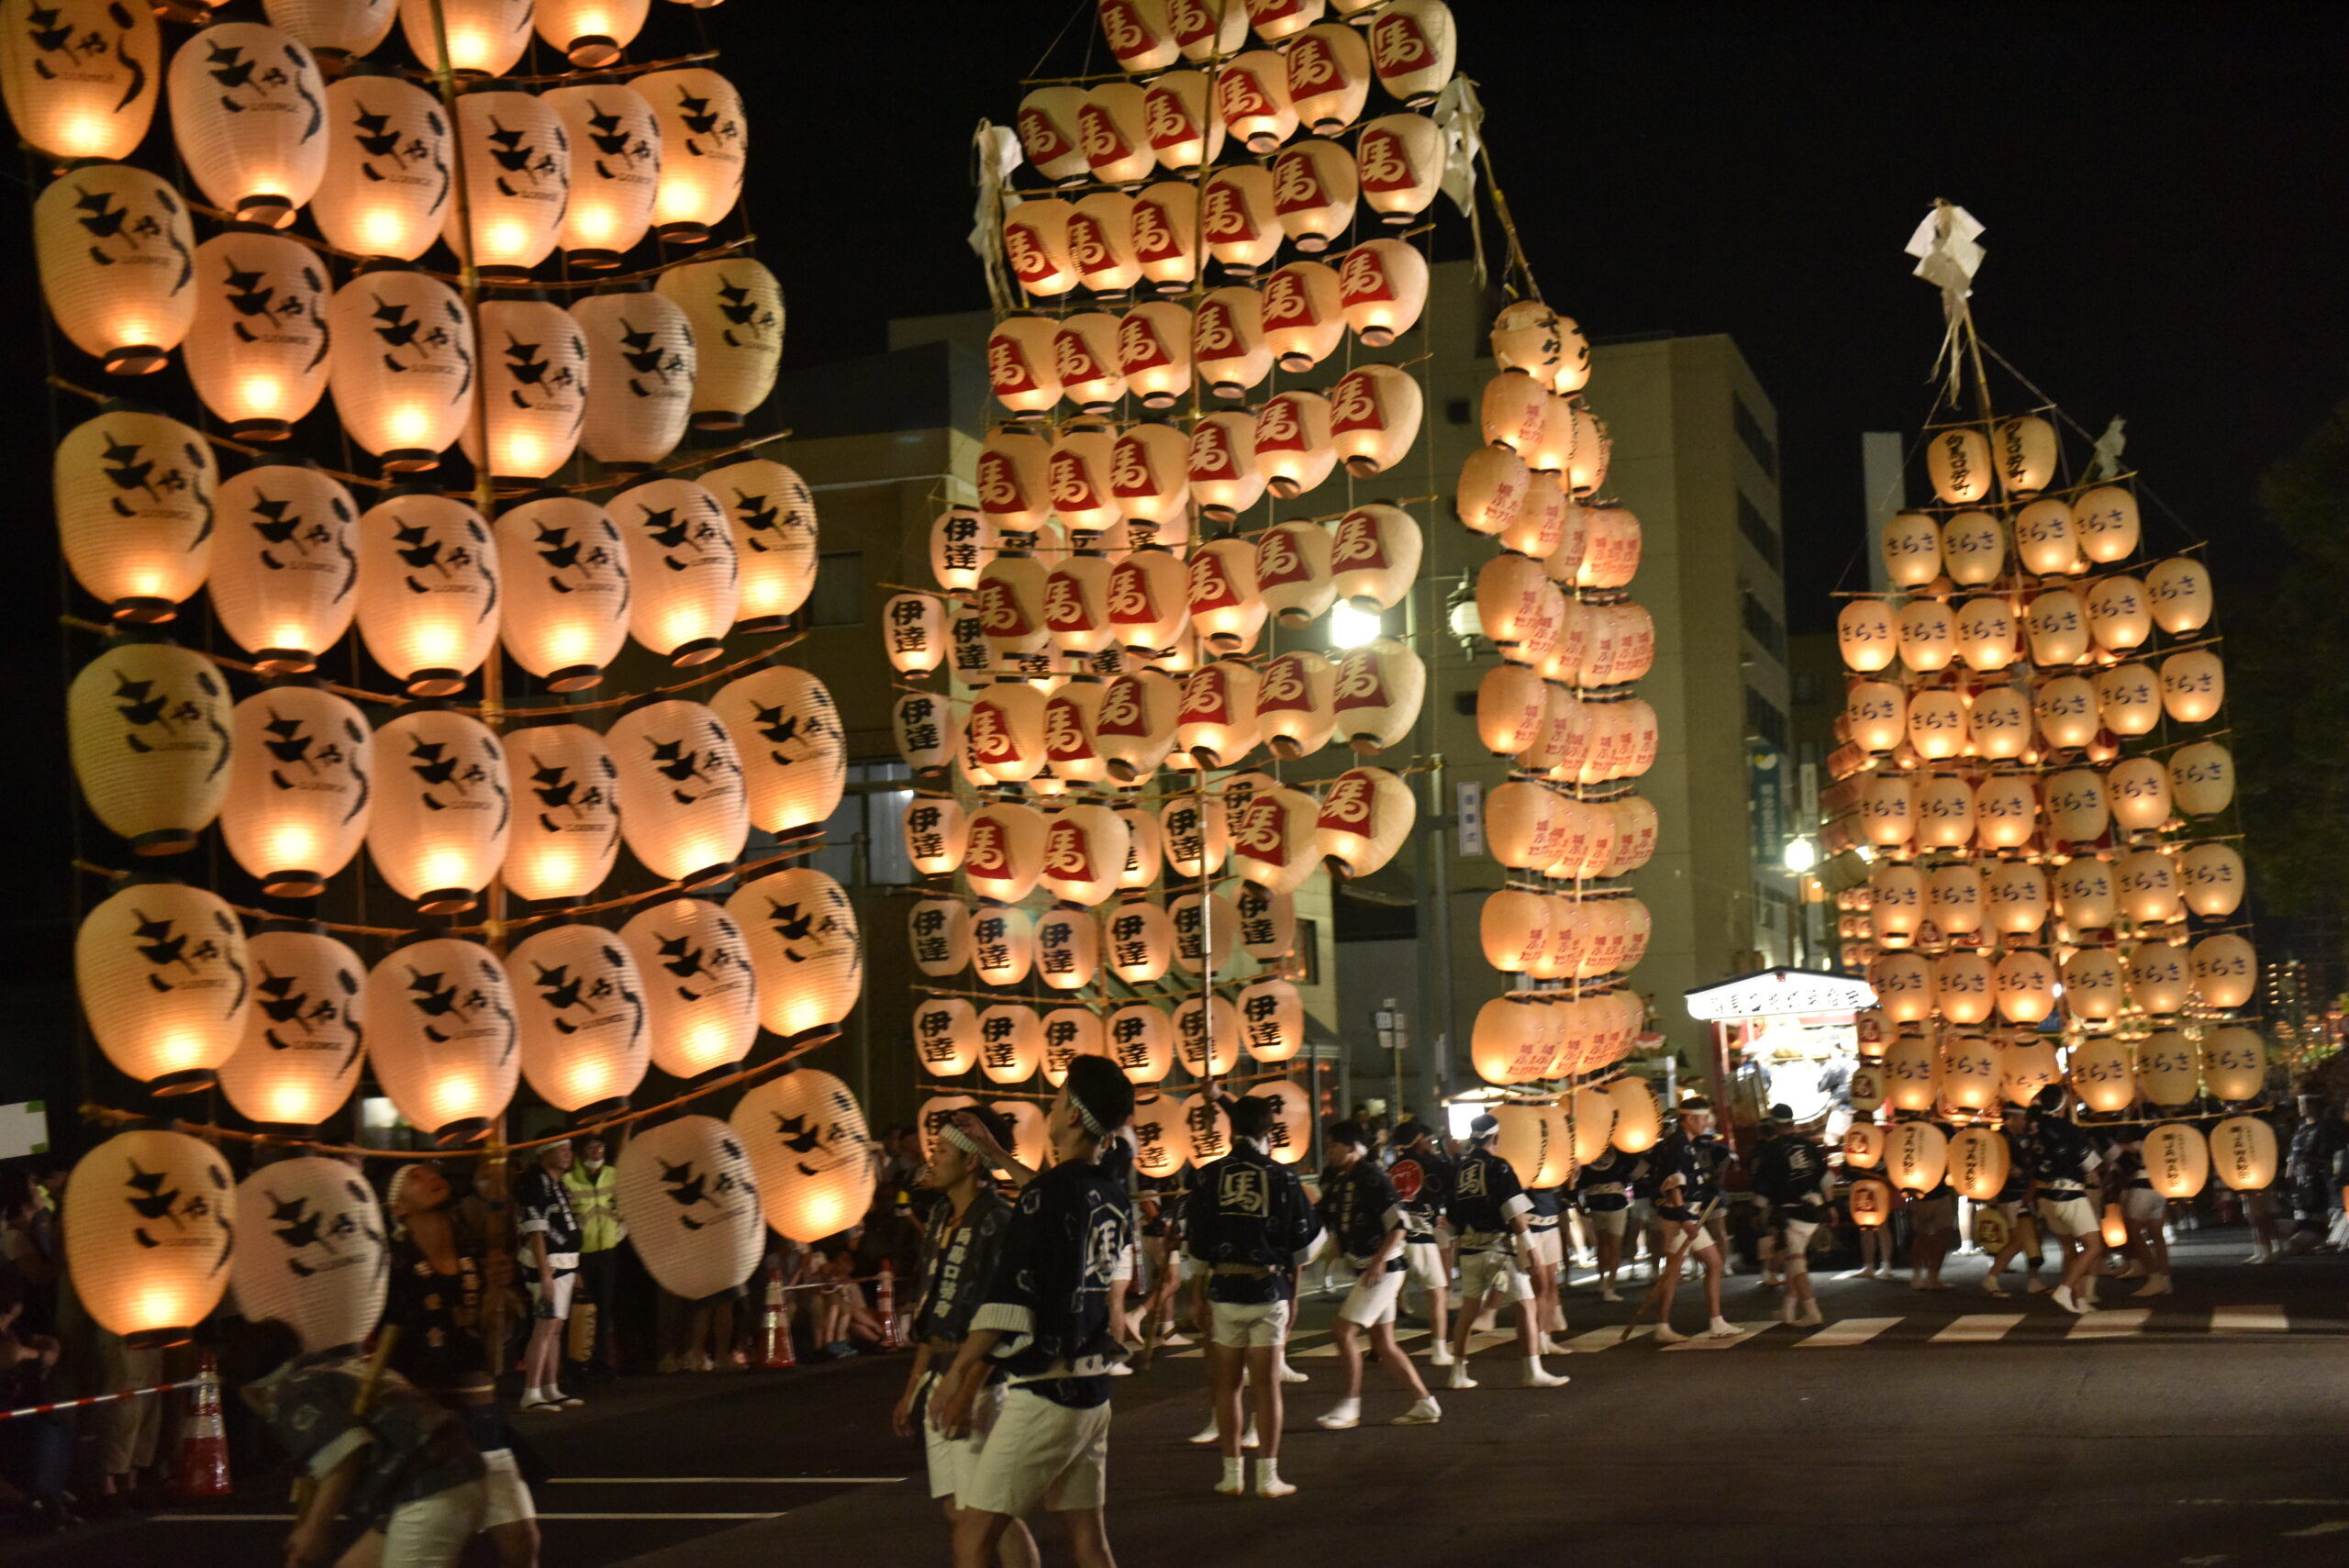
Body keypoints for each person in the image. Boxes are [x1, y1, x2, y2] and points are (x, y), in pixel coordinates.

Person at [930, 1056, 1136, 1568]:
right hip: (1092, 1390)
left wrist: (958, 1373)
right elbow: (1049, 1195)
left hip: (1046, 1392)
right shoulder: (1110, 1194)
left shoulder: (1048, 1194)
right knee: (1089, 1540)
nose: (1053, 1102)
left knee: (972, 1536)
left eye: (1060, 1095)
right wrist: (996, 1152)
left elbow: (1007, 1303)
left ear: (1072, 1115)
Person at [230, 1317, 489, 1568]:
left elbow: (345, 1453)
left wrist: (314, 1529)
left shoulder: (290, 1394)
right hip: (440, 1477)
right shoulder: (337, 1368)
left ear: (249, 1391)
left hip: (429, 1486)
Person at [384, 1164, 540, 1568]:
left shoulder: (477, 1256)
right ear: (398, 1208)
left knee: (522, 1541)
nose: (431, 1176)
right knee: (432, 1552)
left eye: (432, 1171)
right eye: (414, 1176)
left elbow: (493, 1350)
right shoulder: (391, 1265)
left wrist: (497, 1294)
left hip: (482, 1418)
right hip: (427, 1427)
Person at [892, 1106, 1028, 1566]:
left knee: (985, 1515)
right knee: (958, 1507)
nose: (932, 1159)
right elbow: (935, 1309)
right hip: (940, 1371)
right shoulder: (940, 1218)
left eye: (942, 1150)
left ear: (972, 1162)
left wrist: (967, 1388)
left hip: (978, 1380)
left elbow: (1001, 1315)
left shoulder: (999, 1221)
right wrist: (914, 1384)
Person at [1184, 1095, 1321, 1499]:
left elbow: (1197, 1248)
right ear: (1269, 1131)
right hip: (1269, 1289)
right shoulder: (1283, 1178)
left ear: (1230, 1130)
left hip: (1223, 1291)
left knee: (1226, 1386)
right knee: (1266, 1387)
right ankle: (1268, 1476)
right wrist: (1293, 1296)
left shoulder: (1208, 1177)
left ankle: (1231, 1473)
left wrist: (1197, 1297)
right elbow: (1301, 1246)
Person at [1311, 1120, 1440, 1430]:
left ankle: (1350, 1405)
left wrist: (1378, 1262)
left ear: (1354, 1148)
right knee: (1384, 1343)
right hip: (1371, 1268)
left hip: (1382, 1269)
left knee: (1343, 1332)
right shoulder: (1342, 1180)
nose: (1329, 1151)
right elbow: (1323, 1215)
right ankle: (1425, 1403)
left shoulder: (1371, 1177)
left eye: (1334, 1146)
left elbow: (1399, 1225)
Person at [1439, 1115, 1568, 1391]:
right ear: (1495, 1138)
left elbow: (1450, 1221)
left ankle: (1457, 1372)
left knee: (1469, 1310)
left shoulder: (1460, 1169)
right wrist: (1531, 1248)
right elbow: (1515, 1214)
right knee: (1526, 1305)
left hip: (1469, 1250)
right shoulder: (1499, 1167)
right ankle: (1532, 1370)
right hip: (1499, 1250)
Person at [1649, 1098, 1739, 1342]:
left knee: (1714, 1263)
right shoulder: (1678, 1145)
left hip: (1690, 1216)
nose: (1706, 1123)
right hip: (1679, 1218)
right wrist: (1684, 1219)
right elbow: (1673, 1185)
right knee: (1674, 1271)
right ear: (1688, 1120)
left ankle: (1716, 1320)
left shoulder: (1686, 1144)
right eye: (1701, 1119)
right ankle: (1662, 1325)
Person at [2020, 1084, 2105, 1315]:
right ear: (2061, 1104)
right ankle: (2066, 1290)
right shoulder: (2066, 1128)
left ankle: (2078, 1299)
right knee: (2094, 1245)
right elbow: (2091, 1163)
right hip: (2069, 1193)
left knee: (2069, 1248)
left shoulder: (2034, 1129)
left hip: (2045, 1196)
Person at [512, 1142, 584, 1411]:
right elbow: (536, 1231)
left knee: (554, 1328)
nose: (568, 1153)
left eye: (569, 1149)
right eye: (561, 1149)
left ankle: (550, 1387)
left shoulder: (559, 1184)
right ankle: (531, 1391)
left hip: (564, 1262)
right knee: (545, 1326)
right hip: (548, 1265)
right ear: (543, 1153)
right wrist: (544, 1275)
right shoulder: (534, 1183)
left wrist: (575, 1268)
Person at [0, 1271, 72, 1530]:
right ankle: (34, 1503)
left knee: (54, 1428)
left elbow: (41, 1344)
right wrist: (39, 1357)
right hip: (6, 1414)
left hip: (13, 1410)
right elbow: (10, 1355)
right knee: (45, 1432)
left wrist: (49, 1347)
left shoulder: (12, 1329)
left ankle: (48, 1501)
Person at [1384, 1121, 1456, 1366]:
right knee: (1437, 1294)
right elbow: (1454, 1183)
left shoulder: (1391, 1168)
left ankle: (1381, 1344)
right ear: (1418, 1141)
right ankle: (1438, 1350)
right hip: (1423, 1239)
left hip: (1395, 1239)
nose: (1431, 1145)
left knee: (1388, 1295)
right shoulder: (1432, 1165)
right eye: (1429, 1140)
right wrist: (1452, 1155)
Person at [1751, 1106, 1829, 1327]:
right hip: (1814, 1208)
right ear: (1792, 1123)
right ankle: (1787, 1310)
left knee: (1795, 1263)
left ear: (1773, 1124)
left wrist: (1757, 1212)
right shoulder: (1809, 1145)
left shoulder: (1772, 1150)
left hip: (1791, 1212)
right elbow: (1826, 1178)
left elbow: (1762, 1186)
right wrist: (1830, 1205)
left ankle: (1813, 1311)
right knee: (1795, 1261)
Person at [561, 1137, 624, 1384]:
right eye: (591, 1147)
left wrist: (621, 1230)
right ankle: (575, 1362)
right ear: (581, 1152)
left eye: (601, 1146)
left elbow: (622, 1207)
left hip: (607, 1251)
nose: (597, 1151)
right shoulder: (569, 1180)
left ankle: (599, 1361)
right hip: (580, 1254)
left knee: (604, 1309)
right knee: (576, 1310)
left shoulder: (613, 1175)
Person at [2105, 1131, 2172, 1296]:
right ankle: (2165, 1279)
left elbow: (2128, 1150)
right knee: (2157, 1236)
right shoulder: (2162, 1140)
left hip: (2143, 1187)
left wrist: (2112, 1147)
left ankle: (2154, 1277)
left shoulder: (2143, 1142)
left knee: (2134, 1233)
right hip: (2161, 1186)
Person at [1576, 1142, 1636, 1302]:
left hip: (1595, 1200)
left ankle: (1602, 1280)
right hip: (1616, 1200)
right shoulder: (1620, 1147)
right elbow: (1632, 1170)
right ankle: (1610, 1286)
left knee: (1602, 1244)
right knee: (1615, 1244)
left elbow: (1580, 1179)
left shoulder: (1588, 1149)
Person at [1906, 1135, 1959, 1292]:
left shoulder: (1908, 1139)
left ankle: (1920, 1277)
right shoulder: (1939, 1137)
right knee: (1940, 1235)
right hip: (1934, 1193)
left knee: (1923, 1236)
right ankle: (1931, 1277)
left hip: (1919, 1193)